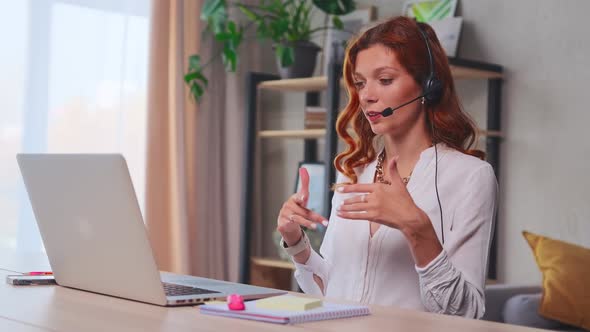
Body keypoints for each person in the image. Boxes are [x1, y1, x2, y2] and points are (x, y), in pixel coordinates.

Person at [276, 16, 497, 319]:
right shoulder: (354, 172)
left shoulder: (471, 177)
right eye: (360, 82)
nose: (367, 95)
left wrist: (417, 229)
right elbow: (331, 290)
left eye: (385, 80)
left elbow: (465, 312)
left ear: (427, 86)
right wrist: (295, 241)